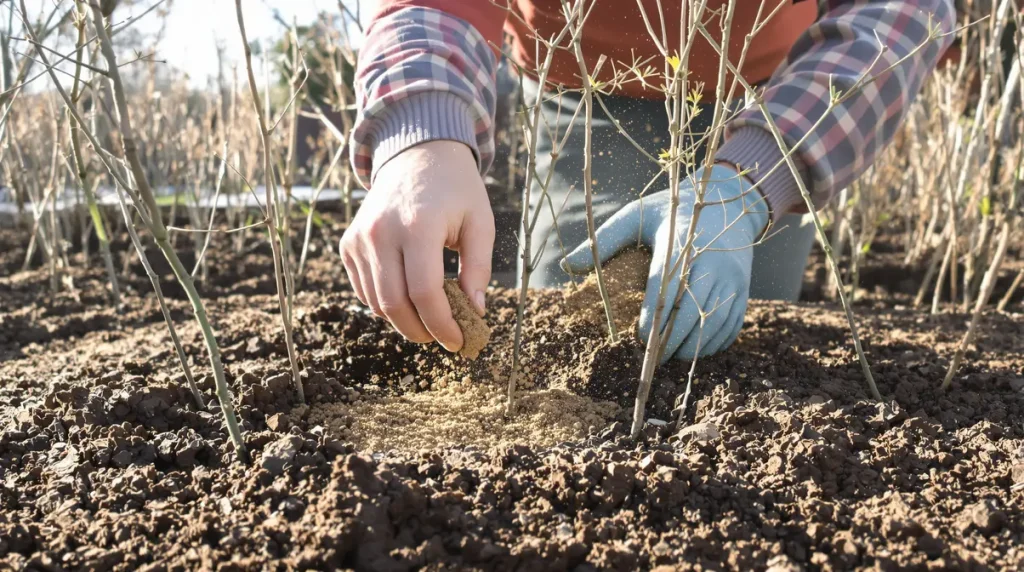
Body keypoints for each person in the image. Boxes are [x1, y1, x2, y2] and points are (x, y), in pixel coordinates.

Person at [340, 0, 956, 361]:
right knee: (582, 334)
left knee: (741, 340)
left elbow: (903, 11)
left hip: (780, 91)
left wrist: (749, 184)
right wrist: (421, 132)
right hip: (585, 87)